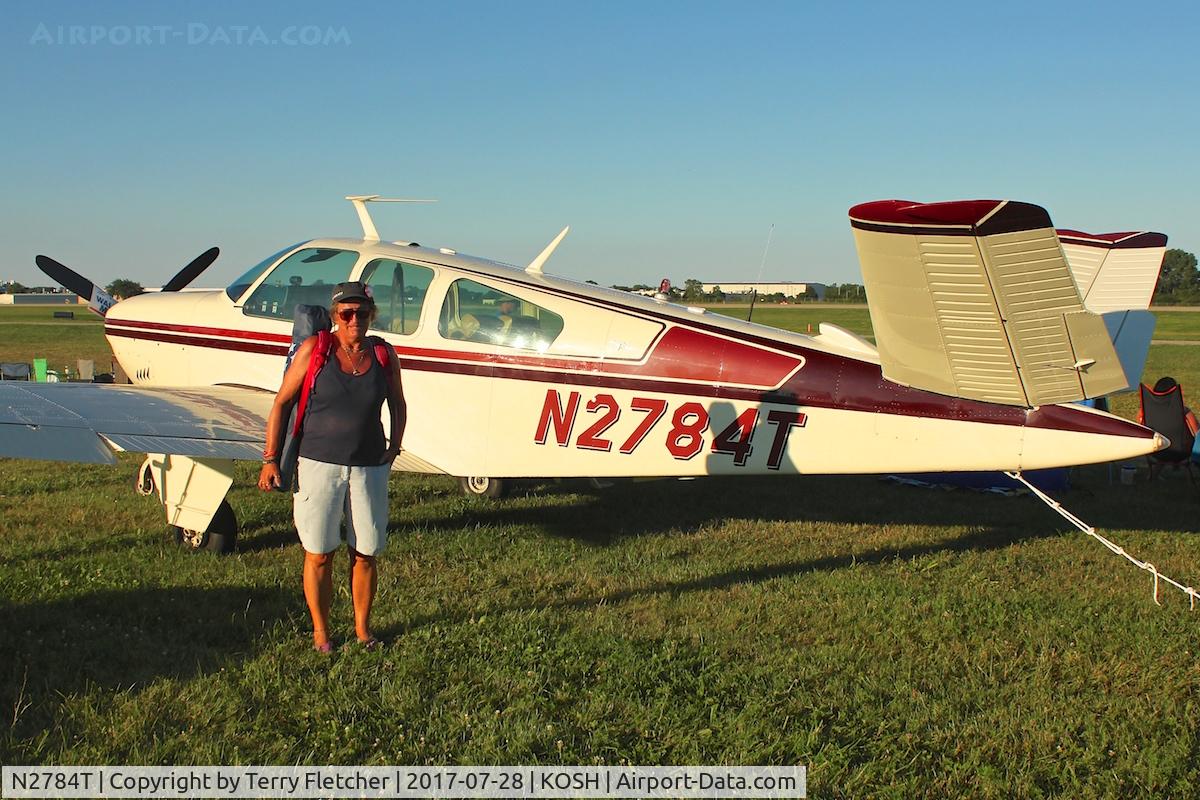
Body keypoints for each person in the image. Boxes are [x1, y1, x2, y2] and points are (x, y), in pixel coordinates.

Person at [258, 281, 406, 652]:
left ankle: (362, 630)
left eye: (362, 313)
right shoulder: (315, 350)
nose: (355, 319)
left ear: (371, 316)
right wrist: (270, 459)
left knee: (365, 552)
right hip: (317, 464)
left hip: (368, 466)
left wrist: (394, 445)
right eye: (347, 313)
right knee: (320, 553)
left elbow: (398, 403)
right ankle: (321, 632)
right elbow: (281, 403)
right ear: (336, 317)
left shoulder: (385, 355)